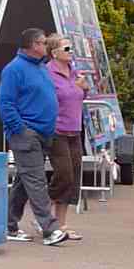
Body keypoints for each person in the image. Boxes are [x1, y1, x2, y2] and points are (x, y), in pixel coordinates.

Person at [0, 28, 68, 246]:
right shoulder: (14, 69)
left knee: (24, 181)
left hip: (43, 133)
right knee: (36, 180)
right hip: (27, 135)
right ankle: (50, 228)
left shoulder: (40, 67)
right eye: (43, 41)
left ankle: (9, 225)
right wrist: (21, 129)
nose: (47, 45)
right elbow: (6, 103)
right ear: (32, 45)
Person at [45, 33, 88, 241]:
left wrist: (84, 89)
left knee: (73, 178)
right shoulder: (47, 73)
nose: (71, 52)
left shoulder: (74, 72)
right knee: (64, 174)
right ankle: (44, 214)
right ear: (54, 53)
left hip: (75, 130)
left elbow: (78, 97)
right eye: (67, 48)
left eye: (71, 48)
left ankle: (61, 224)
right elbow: (48, 99)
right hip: (57, 130)